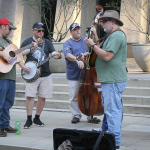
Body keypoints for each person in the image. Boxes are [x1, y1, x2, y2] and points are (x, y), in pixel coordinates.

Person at [84, 10, 127, 150]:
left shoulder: (116, 36)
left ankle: (114, 142)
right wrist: (92, 48)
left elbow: (107, 56)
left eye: (104, 21)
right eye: (101, 21)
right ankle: (107, 135)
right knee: (112, 109)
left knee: (112, 111)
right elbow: (101, 51)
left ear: (113, 22)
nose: (101, 24)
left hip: (112, 80)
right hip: (111, 79)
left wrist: (92, 46)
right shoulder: (112, 35)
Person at [19, 22, 61, 129]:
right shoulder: (27, 42)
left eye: (42, 30)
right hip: (31, 73)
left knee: (42, 97)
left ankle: (37, 117)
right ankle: (29, 119)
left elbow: (53, 53)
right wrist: (23, 67)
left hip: (45, 74)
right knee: (30, 96)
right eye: (39, 30)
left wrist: (57, 55)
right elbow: (18, 55)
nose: (41, 32)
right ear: (33, 30)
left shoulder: (47, 42)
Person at [0, 18, 37, 137]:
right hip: (1, 77)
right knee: (0, 103)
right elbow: (4, 54)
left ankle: (5, 124)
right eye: (9, 28)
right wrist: (3, 54)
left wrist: (31, 48)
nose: (10, 31)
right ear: (3, 26)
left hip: (10, 76)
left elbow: (18, 55)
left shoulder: (8, 42)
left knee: (8, 103)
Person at [63, 23, 101, 124]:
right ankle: (76, 115)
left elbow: (97, 46)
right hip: (74, 75)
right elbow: (67, 55)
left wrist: (95, 33)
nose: (77, 31)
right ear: (71, 32)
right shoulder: (68, 43)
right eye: (75, 30)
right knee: (74, 96)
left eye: (78, 29)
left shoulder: (86, 40)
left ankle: (91, 115)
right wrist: (77, 59)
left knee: (90, 95)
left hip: (88, 74)